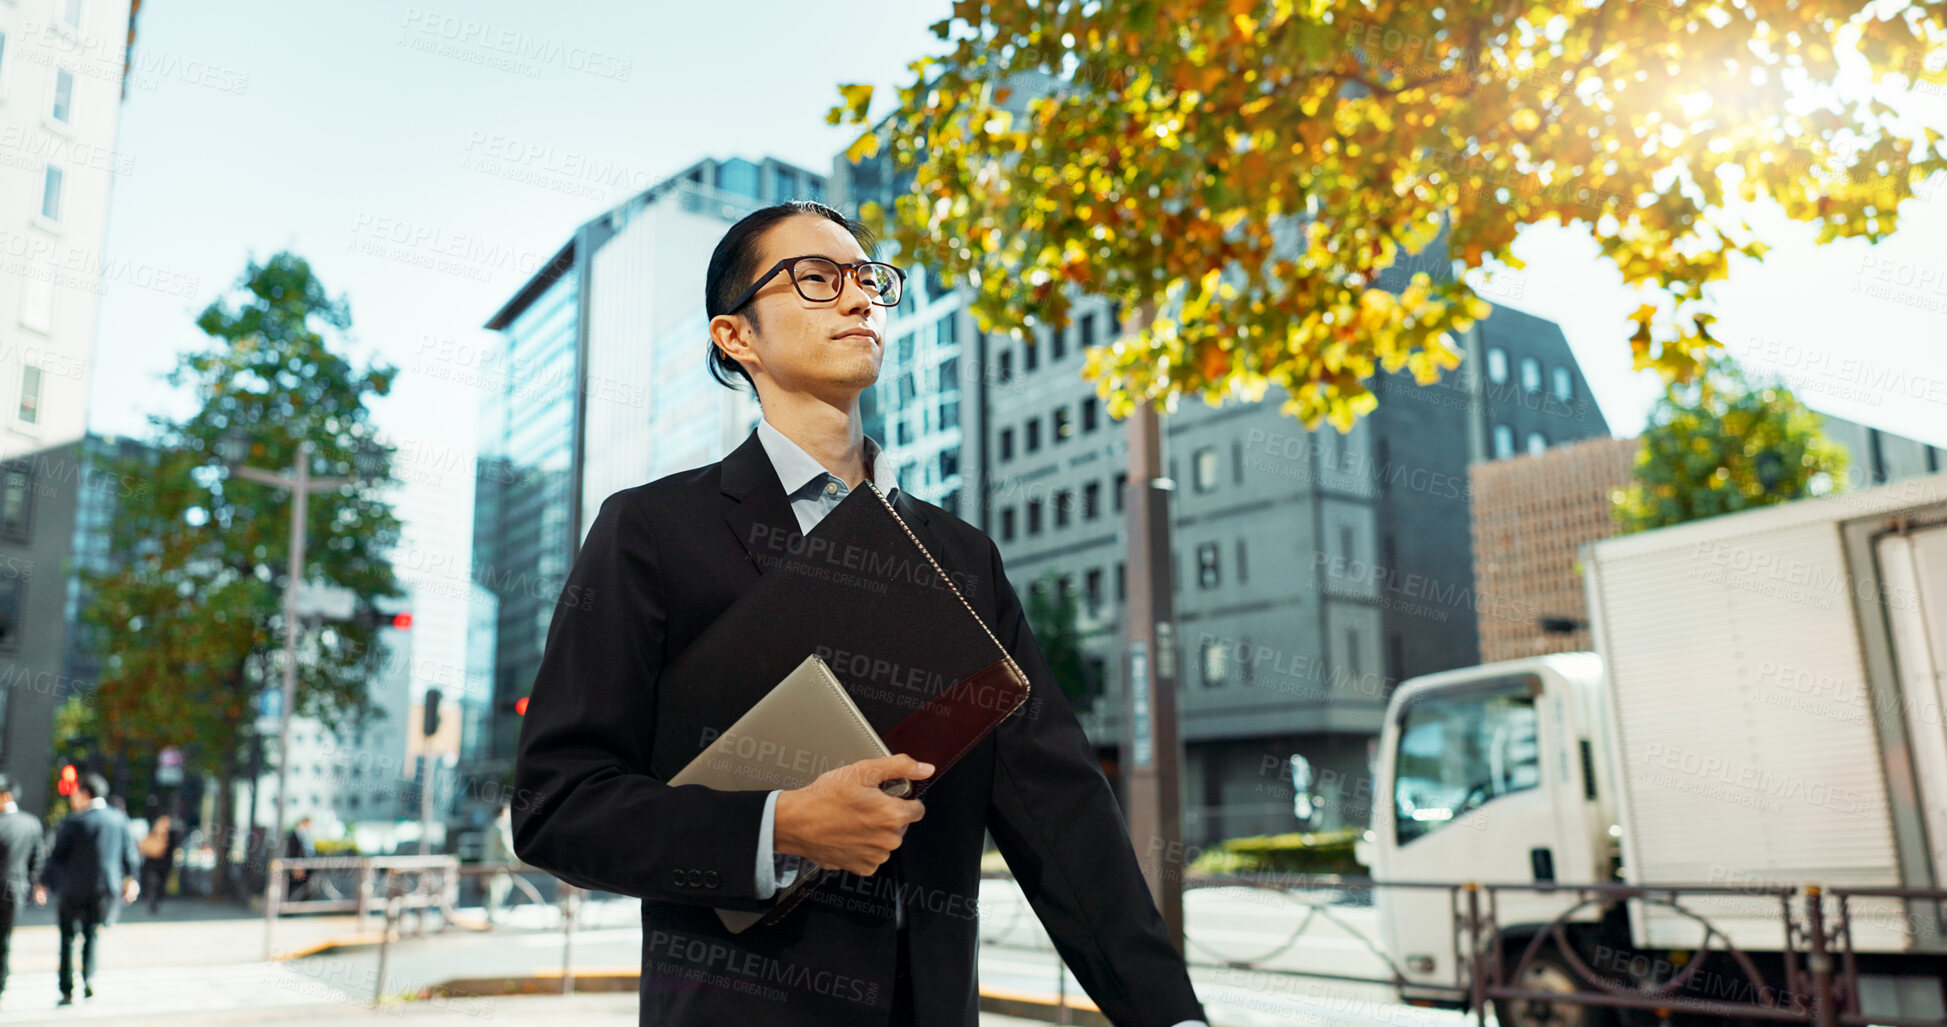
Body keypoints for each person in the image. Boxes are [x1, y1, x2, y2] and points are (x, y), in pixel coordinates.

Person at [514, 201, 1208, 1026]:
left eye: (868, 279)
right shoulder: (652, 532)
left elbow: (1062, 817)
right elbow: (558, 805)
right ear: (735, 336)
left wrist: (1172, 1017)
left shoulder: (960, 558)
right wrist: (779, 826)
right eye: (815, 278)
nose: (858, 299)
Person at [36, 773, 140, 1005]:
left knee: (67, 938)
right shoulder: (118, 820)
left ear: (85, 794)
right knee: (92, 934)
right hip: (104, 888)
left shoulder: (74, 821)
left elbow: (56, 856)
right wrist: (131, 880)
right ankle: (89, 979)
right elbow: (129, 855)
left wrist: (43, 883)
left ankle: (66, 988)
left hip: (71, 889)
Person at [0, 774, 46, 1004]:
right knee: (5, 936)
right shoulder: (31, 823)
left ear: (5, 796)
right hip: (17, 888)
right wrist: (35, 884)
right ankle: (2, 979)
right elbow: (37, 859)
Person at [137, 811, 179, 914]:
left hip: (163, 864)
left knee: (160, 884)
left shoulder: (171, 836)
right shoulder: (153, 834)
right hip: (152, 864)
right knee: (152, 883)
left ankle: (155, 901)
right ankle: (152, 902)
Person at [283, 816, 317, 902]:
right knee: (294, 887)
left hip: (304, 865)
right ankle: (289, 906)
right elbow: (294, 851)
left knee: (301, 887)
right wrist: (297, 865)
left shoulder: (306, 834)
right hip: (298, 866)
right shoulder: (296, 835)